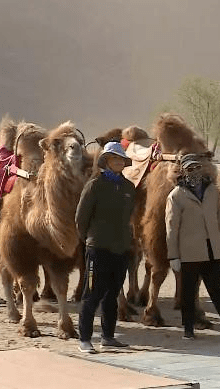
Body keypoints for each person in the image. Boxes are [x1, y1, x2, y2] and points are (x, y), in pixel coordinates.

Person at [166, 153, 220, 340]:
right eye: (190, 169)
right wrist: (174, 256)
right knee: (188, 293)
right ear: (183, 171)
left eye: (197, 167)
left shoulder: (212, 191)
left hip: (212, 251)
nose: (194, 172)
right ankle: (188, 328)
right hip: (189, 253)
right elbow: (171, 228)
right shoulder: (177, 196)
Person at [75, 141, 136, 354]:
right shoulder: (94, 185)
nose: (119, 162)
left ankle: (108, 337)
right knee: (92, 294)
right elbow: (81, 219)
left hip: (120, 249)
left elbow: (129, 218)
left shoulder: (129, 188)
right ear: (106, 161)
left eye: (121, 159)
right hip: (98, 248)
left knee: (113, 294)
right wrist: (90, 240)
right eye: (114, 158)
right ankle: (84, 339)